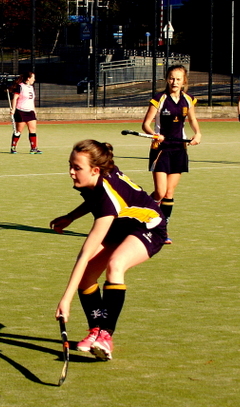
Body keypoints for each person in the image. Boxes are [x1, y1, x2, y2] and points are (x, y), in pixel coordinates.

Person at [51, 140, 167, 361]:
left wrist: (66, 300)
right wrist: (71, 217)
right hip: (120, 224)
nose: (71, 172)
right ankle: (95, 330)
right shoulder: (95, 178)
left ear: (95, 170)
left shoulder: (107, 200)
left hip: (147, 227)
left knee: (115, 265)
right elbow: (94, 199)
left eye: (77, 168)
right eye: (70, 165)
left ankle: (106, 335)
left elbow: (85, 253)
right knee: (87, 278)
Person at [141, 65, 201, 244]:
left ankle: (162, 230)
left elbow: (192, 119)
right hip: (161, 150)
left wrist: (197, 133)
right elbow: (145, 124)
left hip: (179, 150)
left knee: (169, 192)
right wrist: (154, 135)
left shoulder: (188, 99)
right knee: (159, 192)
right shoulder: (159, 99)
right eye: (171, 78)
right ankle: (141, 216)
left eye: (178, 79)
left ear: (184, 81)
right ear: (167, 79)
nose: (174, 82)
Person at [9, 71, 41, 154]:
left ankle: (33, 148)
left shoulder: (31, 87)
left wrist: (34, 110)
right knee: (19, 131)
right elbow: (15, 98)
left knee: (33, 129)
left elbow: (32, 100)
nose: (34, 79)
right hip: (20, 111)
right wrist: (13, 109)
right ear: (28, 78)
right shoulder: (20, 87)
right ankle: (13, 147)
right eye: (33, 78)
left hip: (30, 111)